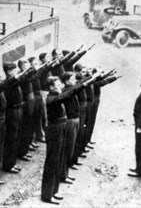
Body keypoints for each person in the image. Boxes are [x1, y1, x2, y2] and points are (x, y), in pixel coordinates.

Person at [41, 75, 98, 205]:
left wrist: (88, 81)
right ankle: (47, 194)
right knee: (52, 162)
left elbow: (69, 91)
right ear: (51, 87)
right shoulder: (52, 99)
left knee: (59, 159)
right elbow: (69, 93)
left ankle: (53, 192)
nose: (61, 86)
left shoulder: (55, 96)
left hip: (60, 129)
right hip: (55, 130)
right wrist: (83, 85)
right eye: (58, 84)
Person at [2, 61, 33, 174]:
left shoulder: (13, 81)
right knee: (11, 139)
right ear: (9, 72)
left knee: (16, 137)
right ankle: (8, 165)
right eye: (14, 70)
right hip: (13, 111)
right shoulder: (10, 82)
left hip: (18, 110)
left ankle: (12, 163)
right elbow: (21, 77)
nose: (17, 72)